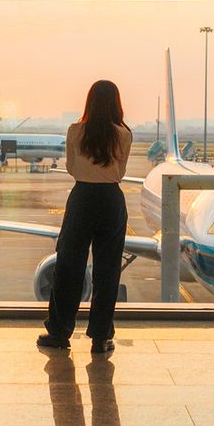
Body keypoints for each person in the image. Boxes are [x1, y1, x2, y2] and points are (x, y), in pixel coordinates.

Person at [38, 79, 132, 353]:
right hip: (111, 200)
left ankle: (59, 332)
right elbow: (121, 172)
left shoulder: (75, 131)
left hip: (82, 199)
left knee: (69, 266)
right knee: (108, 270)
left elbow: (70, 167)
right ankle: (101, 337)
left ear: (89, 101)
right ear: (116, 102)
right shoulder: (123, 134)